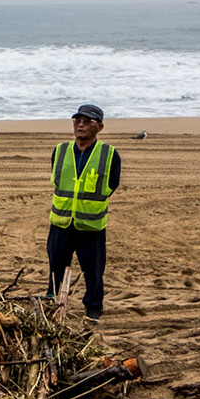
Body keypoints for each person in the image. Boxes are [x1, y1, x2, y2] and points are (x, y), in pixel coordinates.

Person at [47, 102, 119, 320]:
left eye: (87, 121)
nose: (80, 124)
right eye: (77, 120)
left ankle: (93, 308)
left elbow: (111, 184)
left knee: (94, 272)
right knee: (55, 269)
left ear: (100, 127)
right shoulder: (60, 151)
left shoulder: (109, 155)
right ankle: (51, 303)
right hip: (61, 223)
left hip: (91, 226)